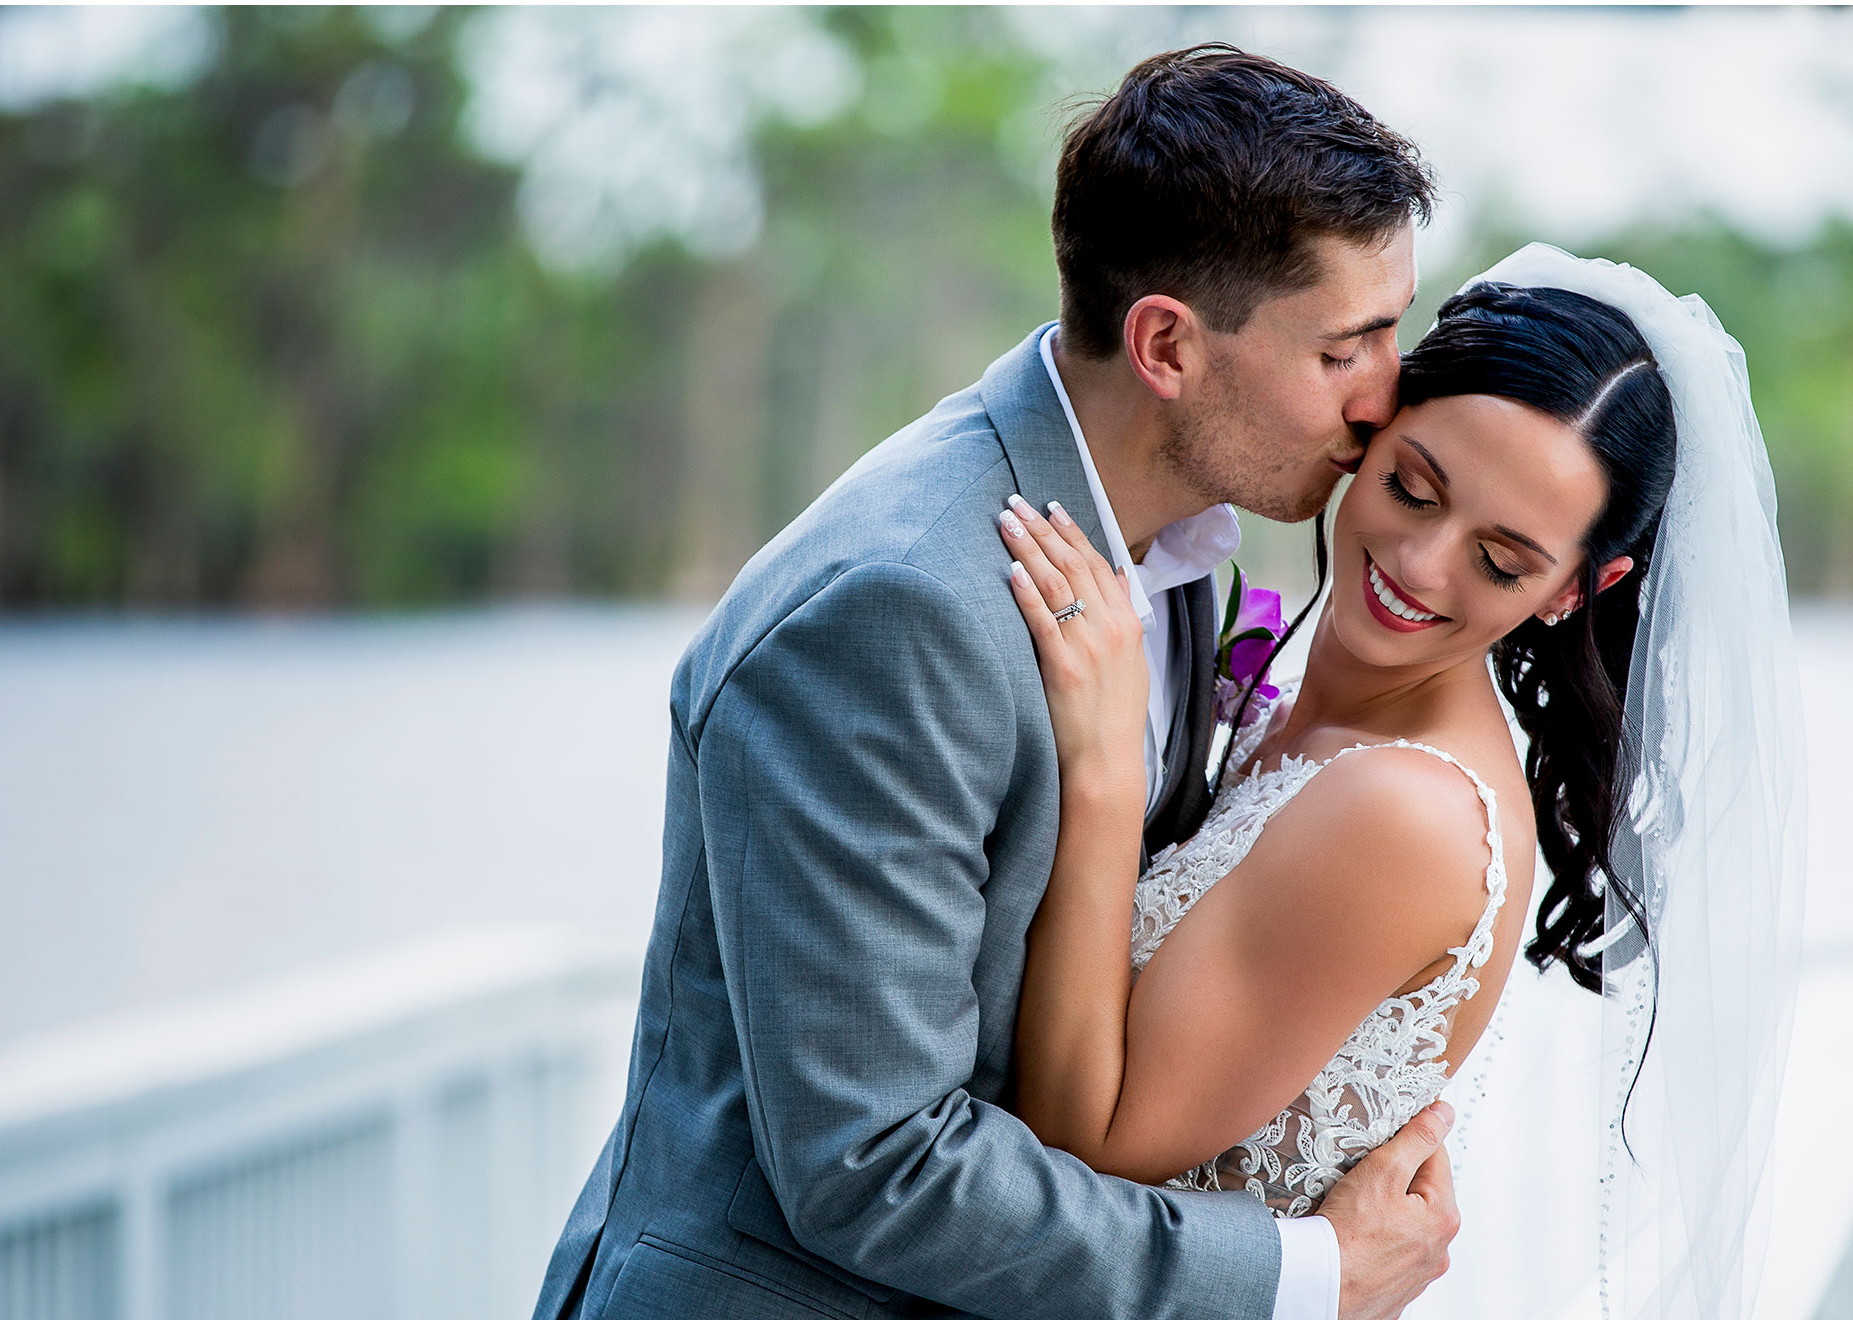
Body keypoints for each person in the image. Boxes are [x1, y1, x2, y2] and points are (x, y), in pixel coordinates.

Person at [532, 45, 1459, 1320]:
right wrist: (1307, 1277)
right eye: (1347, 349)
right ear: (1168, 347)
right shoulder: (897, 608)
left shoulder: (1178, 539)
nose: (1384, 398)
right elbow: (875, 1162)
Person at [995, 244, 1804, 1320]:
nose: (1422, 567)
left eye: (1503, 562)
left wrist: (1098, 772)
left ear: (1580, 589)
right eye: (1413, 489)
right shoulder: (1298, 703)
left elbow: (1084, 1146)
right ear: (1370, 425)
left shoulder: (1405, 814)